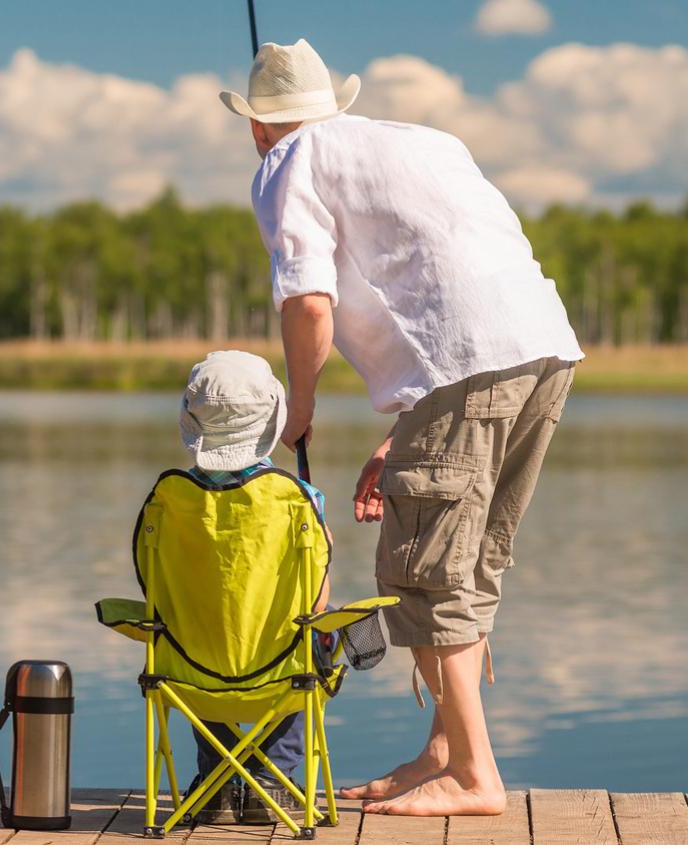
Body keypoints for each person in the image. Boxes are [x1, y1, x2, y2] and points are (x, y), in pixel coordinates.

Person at [218, 40, 583, 816]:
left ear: (257, 127)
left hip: (465, 364)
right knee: (471, 559)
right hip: (542, 349)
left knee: (422, 570)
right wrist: (410, 423)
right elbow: (457, 265)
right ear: (330, 104)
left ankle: (475, 776)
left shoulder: (286, 163)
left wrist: (302, 400)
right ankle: (445, 751)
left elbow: (308, 300)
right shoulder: (424, 142)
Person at [176, 350, 330, 825]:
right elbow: (317, 600)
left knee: (189, 634)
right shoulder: (300, 501)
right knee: (316, 634)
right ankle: (271, 778)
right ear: (272, 419)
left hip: (192, 676)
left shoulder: (172, 502)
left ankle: (218, 778)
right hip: (277, 671)